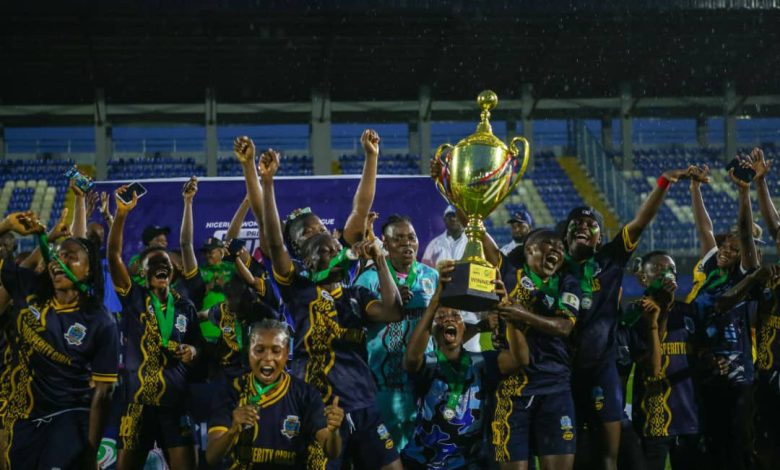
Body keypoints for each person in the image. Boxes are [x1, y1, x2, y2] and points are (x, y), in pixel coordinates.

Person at [259, 147, 406, 470]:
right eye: (312, 237)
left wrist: (381, 261)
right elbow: (273, 243)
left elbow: (394, 311)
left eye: (330, 240)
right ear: (305, 258)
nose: (327, 242)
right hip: (320, 409)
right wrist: (267, 183)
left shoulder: (356, 292)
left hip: (365, 404)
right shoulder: (298, 289)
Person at [566, 165, 701, 470]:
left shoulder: (610, 258)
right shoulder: (554, 266)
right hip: (563, 372)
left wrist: (663, 183)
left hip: (602, 369)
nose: (584, 226)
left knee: (610, 459)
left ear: (601, 239)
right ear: (565, 234)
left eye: (592, 224)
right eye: (577, 222)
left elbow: (641, 222)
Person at [0, 211, 119, 469]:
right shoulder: (29, 287)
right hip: (22, 417)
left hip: (69, 416)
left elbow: (103, 393)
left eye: (71, 257)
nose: (58, 262)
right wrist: (5, 226)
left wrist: (91, 449)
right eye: (58, 255)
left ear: (88, 270)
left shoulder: (101, 321)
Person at [107, 185, 203, 470]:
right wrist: (122, 215)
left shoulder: (185, 306)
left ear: (173, 272)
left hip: (175, 402)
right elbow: (114, 257)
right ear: (142, 273)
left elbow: (200, 345)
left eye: (166, 262)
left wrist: (194, 352)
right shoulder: (133, 297)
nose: (161, 264)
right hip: (137, 404)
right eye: (153, 262)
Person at [402, 260, 528, 469]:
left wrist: (505, 307)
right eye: (440, 317)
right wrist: (435, 301)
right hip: (422, 462)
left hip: (469, 463)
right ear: (433, 330)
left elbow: (520, 359)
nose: (448, 319)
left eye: (456, 316)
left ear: (464, 327)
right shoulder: (428, 364)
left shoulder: (482, 362)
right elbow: (411, 358)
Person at [687, 159, 758, 470]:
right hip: (703, 366)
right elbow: (705, 228)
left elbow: (745, 234)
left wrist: (744, 194)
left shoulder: (743, 275)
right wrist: (694, 188)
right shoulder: (709, 266)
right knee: (708, 444)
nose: (730, 250)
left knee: (738, 445)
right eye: (727, 246)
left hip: (738, 373)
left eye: (738, 247)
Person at [492, 229, 582, 470]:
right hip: (513, 391)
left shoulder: (568, 282)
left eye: (560, 248)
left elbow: (564, 327)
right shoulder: (509, 273)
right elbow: (478, 232)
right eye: (548, 245)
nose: (557, 250)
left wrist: (523, 314)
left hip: (555, 388)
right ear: (529, 249)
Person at [206, 319, 345, 468]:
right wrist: (233, 430)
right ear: (249, 352)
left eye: (276, 351)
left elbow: (331, 451)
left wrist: (334, 432)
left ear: (286, 354)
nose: (267, 358)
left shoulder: (306, 394)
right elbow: (212, 457)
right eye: (259, 350)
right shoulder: (231, 391)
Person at [354, 214, 439, 450]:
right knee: (386, 454)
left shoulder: (431, 276)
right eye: (398, 239)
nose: (407, 244)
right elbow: (357, 321)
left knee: (426, 451)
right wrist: (388, 302)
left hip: (425, 377)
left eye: (411, 237)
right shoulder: (369, 280)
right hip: (384, 382)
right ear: (385, 244)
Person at [724, 147, 780, 470]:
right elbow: (766, 231)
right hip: (767, 383)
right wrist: (756, 186)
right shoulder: (772, 279)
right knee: (763, 454)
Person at [625, 251, 704, 470]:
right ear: (643, 278)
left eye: (672, 270)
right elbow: (652, 368)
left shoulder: (690, 311)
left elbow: (699, 359)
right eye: (659, 269)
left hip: (690, 420)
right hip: (654, 421)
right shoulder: (635, 314)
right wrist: (663, 313)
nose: (667, 274)